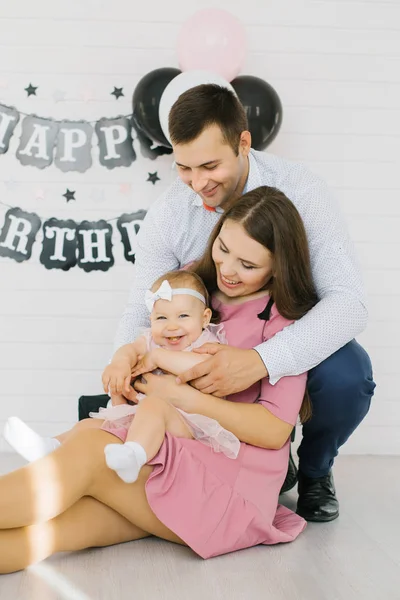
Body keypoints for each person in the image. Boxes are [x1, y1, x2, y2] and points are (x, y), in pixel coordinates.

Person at [1, 186, 314, 573]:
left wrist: (178, 396)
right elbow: (141, 338)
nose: (228, 269)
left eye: (248, 265)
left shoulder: (286, 322)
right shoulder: (192, 292)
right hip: (169, 453)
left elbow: (273, 431)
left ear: (279, 266)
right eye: (223, 249)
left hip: (231, 487)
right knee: (52, 532)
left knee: (88, 448)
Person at [114, 83, 376, 522]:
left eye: (210, 165)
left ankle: (313, 469)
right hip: (208, 340)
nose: (198, 183)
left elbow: (349, 303)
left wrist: (261, 360)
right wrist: (124, 355)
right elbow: (145, 302)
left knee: (348, 375)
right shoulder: (170, 213)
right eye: (183, 167)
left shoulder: (302, 191)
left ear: (244, 142)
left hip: (282, 336)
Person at [3, 271, 241, 482]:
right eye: (161, 318)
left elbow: (202, 366)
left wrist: (159, 358)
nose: (171, 326)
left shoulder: (206, 343)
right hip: (140, 418)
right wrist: (119, 364)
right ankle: (50, 447)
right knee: (92, 425)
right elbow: (130, 349)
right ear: (151, 320)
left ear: (205, 318)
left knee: (155, 406)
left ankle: (133, 455)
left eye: (182, 316)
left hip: (188, 425)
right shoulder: (150, 340)